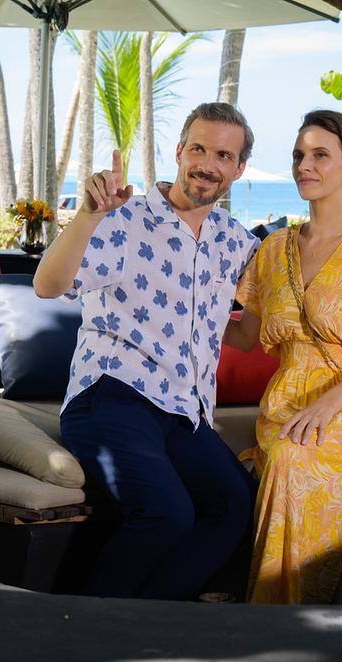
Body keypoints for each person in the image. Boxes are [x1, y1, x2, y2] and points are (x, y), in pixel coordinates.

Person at [34, 102, 261, 600]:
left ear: (238, 169)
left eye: (223, 154)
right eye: (197, 148)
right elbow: (48, 285)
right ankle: (85, 628)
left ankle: (149, 620)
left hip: (185, 409)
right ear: (179, 152)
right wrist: (89, 214)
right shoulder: (123, 219)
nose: (207, 163)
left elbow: (247, 333)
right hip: (113, 395)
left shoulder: (236, 243)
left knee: (237, 505)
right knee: (166, 513)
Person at [223, 110, 342, 605]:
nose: (304, 166)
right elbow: (246, 336)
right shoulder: (273, 249)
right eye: (298, 156)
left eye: (319, 156)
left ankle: (283, 613)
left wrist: (326, 406)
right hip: (287, 399)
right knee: (289, 452)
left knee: (293, 459)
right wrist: (177, 311)